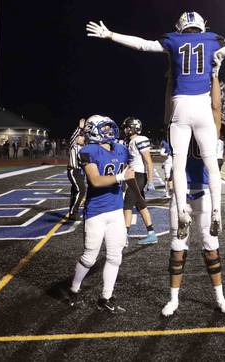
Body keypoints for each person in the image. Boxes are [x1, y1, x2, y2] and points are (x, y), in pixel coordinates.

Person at [87, 13, 225, 239]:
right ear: (201, 25)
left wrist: (110, 35)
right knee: (212, 164)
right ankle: (217, 211)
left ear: (180, 26)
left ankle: (181, 211)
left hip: (181, 106)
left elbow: (142, 45)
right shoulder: (212, 39)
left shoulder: (173, 40)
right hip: (203, 106)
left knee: (178, 163)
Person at [162, 137, 225, 317]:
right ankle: (173, 299)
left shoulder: (208, 132)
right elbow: (170, 162)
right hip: (181, 193)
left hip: (205, 193)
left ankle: (220, 297)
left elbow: (216, 164)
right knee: (177, 247)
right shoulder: (177, 129)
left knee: (211, 246)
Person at [67, 115, 132, 312]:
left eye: (109, 128)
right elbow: (95, 180)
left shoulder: (121, 149)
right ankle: (74, 289)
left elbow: (130, 174)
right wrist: (120, 176)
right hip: (96, 212)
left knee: (115, 256)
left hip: (116, 211)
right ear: (93, 131)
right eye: (104, 129)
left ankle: (106, 298)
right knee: (89, 257)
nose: (109, 132)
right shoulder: (89, 151)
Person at [121, 117, 158, 246]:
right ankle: (151, 233)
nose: (124, 129)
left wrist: (151, 180)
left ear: (132, 128)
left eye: (127, 127)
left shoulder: (140, 140)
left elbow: (148, 161)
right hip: (133, 175)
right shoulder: (130, 142)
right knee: (141, 205)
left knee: (127, 205)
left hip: (138, 176)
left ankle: (123, 237)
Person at [66, 119, 87, 221]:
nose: (81, 138)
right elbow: (73, 137)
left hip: (80, 172)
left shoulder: (85, 147)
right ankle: (74, 212)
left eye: (82, 136)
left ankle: (72, 213)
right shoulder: (73, 146)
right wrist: (80, 128)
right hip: (73, 170)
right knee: (81, 190)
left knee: (75, 192)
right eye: (80, 136)